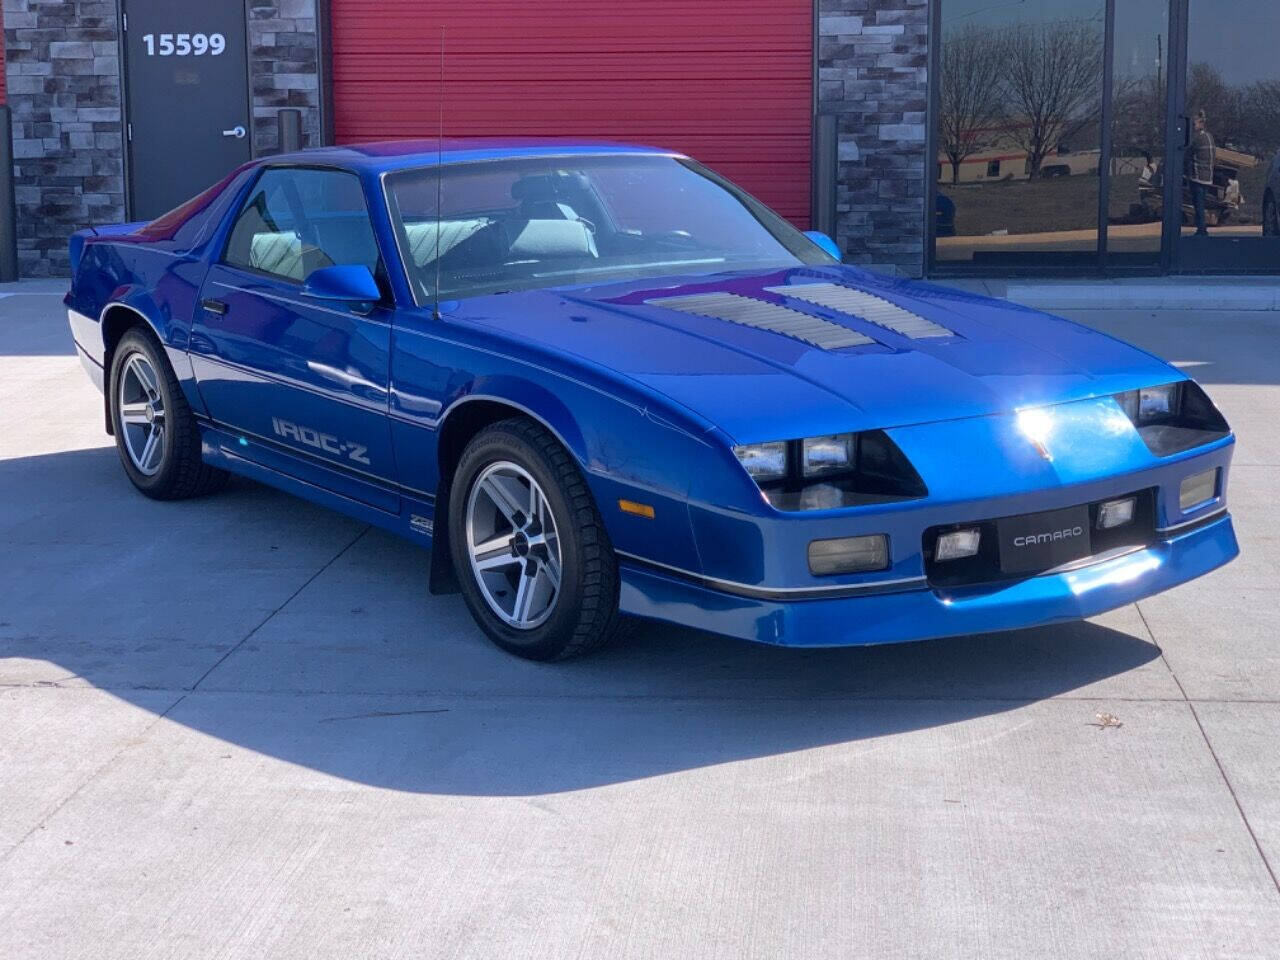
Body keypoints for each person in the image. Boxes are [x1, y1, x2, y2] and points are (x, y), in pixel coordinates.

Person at [1188, 110, 1216, 236]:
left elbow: (1188, 153)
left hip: (1198, 176)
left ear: (1201, 124)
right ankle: (1202, 228)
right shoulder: (1209, 137)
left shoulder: (1198, 138)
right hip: (1208, 176)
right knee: (1202, 203)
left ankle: (1201, 229)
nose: (1193, 126)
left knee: (1198, 204)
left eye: (1194, 124)